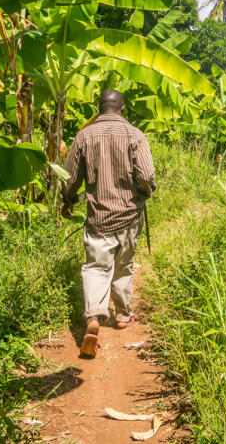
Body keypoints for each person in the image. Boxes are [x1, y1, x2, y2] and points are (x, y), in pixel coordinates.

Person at [60, 90, 155, 357]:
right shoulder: (135, 135)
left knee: (96, 267)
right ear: (123, 109)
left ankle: (93, 318)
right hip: (128, 215)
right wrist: (146, 191)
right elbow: (146, 175)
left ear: (99, 108)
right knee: (123, 266)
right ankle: (123, 315)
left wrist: (68, 200)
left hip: (98, 216)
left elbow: (70, 178)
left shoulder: (84, 136)